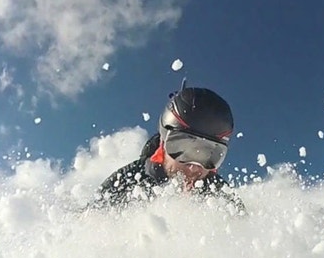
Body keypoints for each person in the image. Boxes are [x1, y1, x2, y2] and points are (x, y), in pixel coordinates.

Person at [93, 85, 244, 211]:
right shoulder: (126, 183)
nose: (193, 167)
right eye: (183, 148)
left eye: (209, 154)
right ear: (163, 141)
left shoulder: (223, 199)